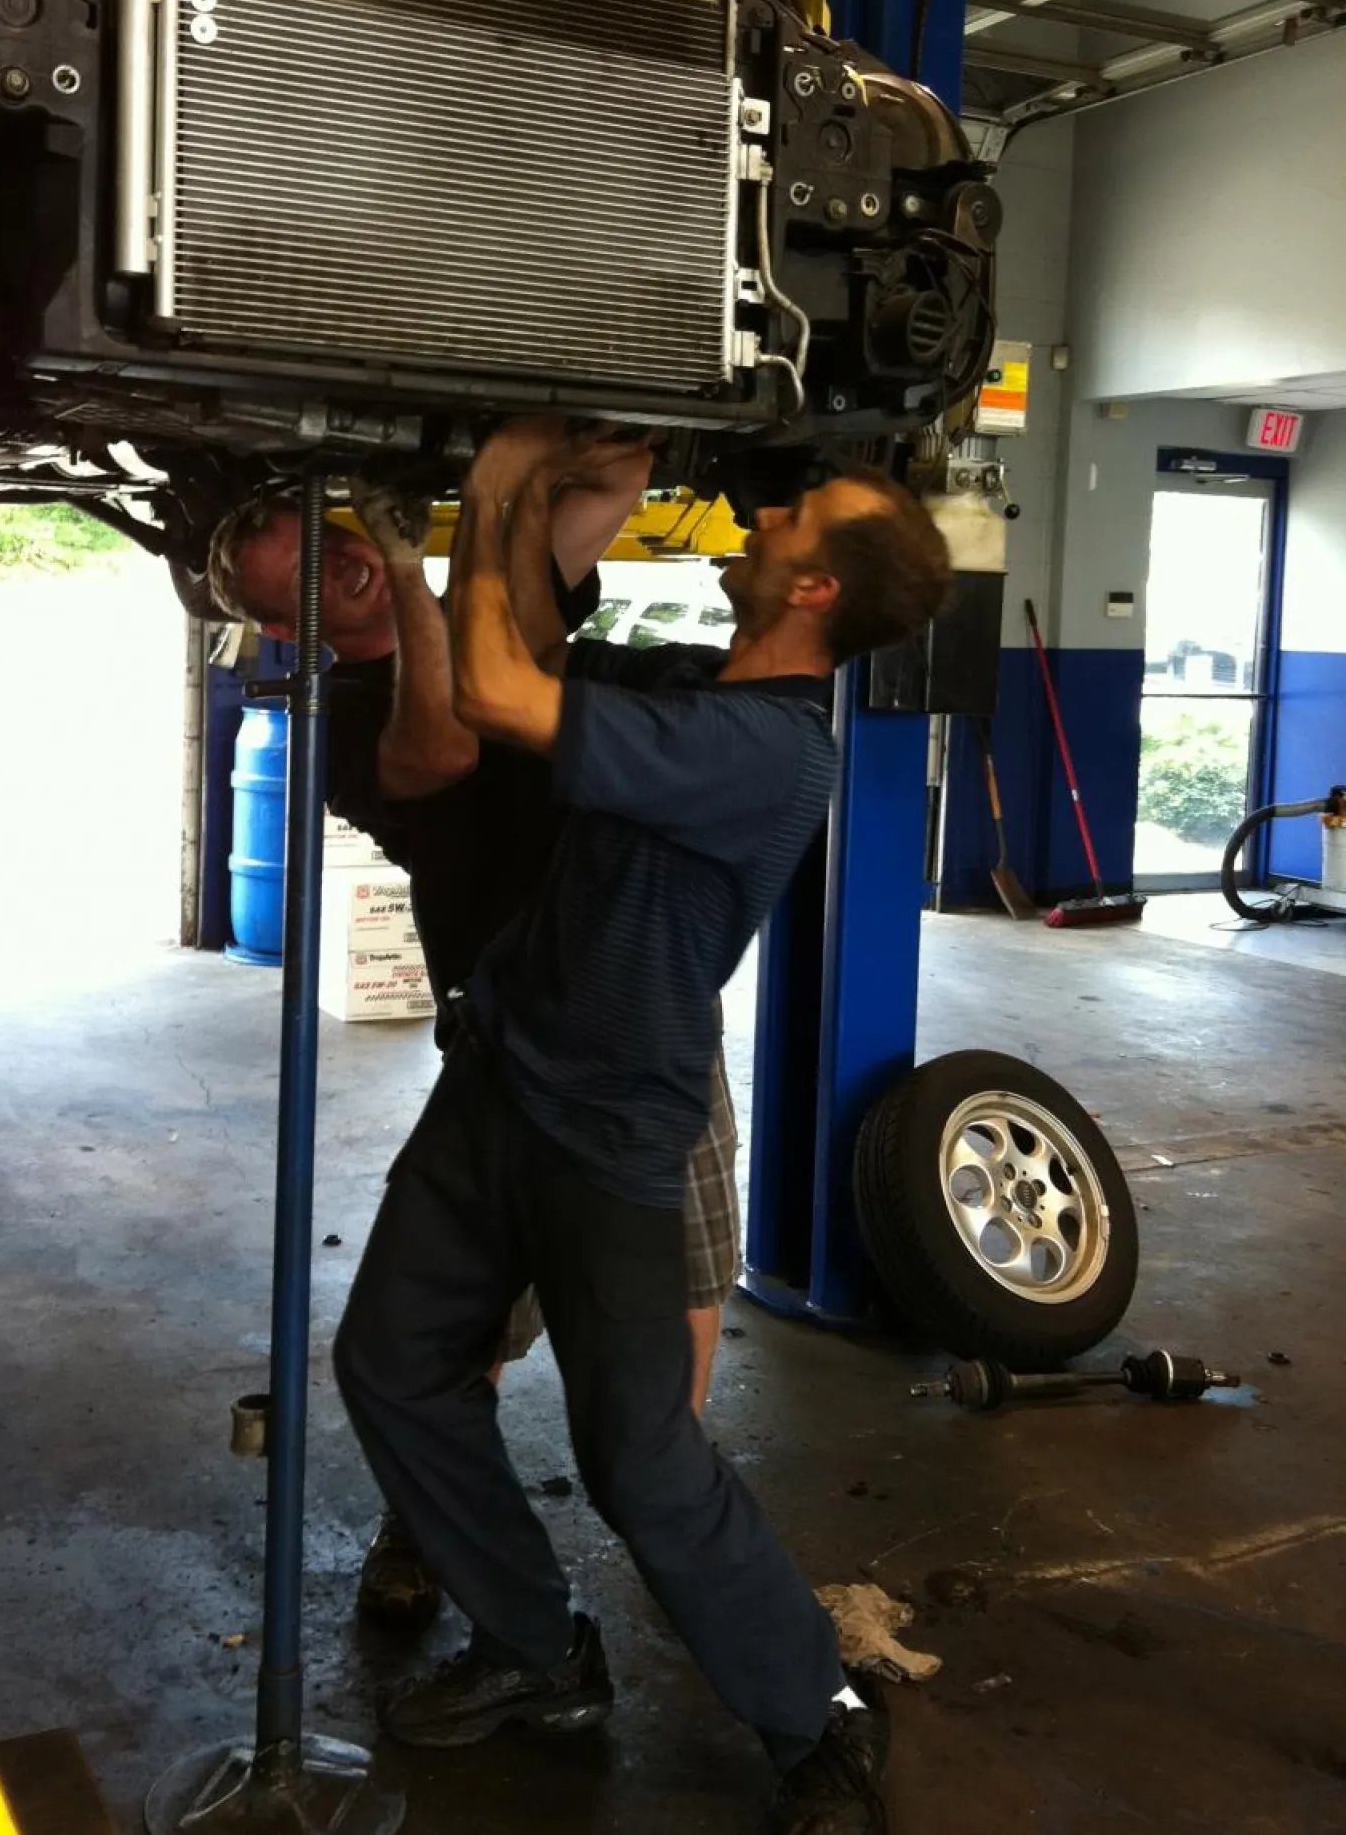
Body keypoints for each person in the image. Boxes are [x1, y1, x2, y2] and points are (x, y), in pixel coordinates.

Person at [332, 421, 953, 1835]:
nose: (773, 515)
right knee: (392, 1362)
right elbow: (526, 669)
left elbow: (492, 675)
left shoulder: (769, 753)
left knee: (639, 1455)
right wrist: (538, 509)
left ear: (813, 593)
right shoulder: (697, 682)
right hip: (498, 1075)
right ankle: (539, 1648)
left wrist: (498, 480)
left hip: (611, 1126)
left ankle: (822, 1718)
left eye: (801, 518)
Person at [205, 449, 746, 1627]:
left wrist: (562, 436)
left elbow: (600, 500)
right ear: (279, 624)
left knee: (683, 1273)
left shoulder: (486, 610)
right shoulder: (344, 721)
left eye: (330, 538)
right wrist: (411, 563)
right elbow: (444, 746)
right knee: (465, 1308)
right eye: (301, 572)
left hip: (650, 1008)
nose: (336, 560)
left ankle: (672, 1497)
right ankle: (427, 1520)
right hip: (510, 1036)